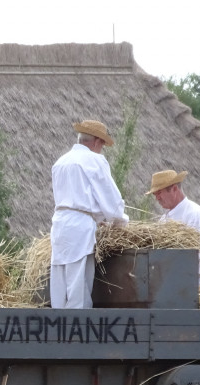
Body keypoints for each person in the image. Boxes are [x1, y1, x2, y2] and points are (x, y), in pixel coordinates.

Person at [50, 119, 129, 309]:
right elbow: (110, 199)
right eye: (102, 144)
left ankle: (56, 322)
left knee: (59, 279)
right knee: (78, 283)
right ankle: (77, 329)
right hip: (80, 226)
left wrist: (99, 218)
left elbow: (77, 196)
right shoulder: (94, 160)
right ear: (96, 141)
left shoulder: (60, 162)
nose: (101, 148)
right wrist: (121, 223)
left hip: (59, 224)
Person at [146, 169, 200, 289]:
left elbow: (196, 255)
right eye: (155, 194)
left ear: (174, 189)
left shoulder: (195, 214)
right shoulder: (163, 221)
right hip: (180, 284)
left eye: (159, 192)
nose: (157, 198)